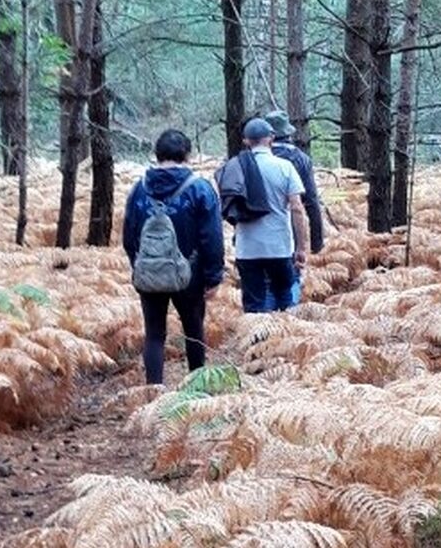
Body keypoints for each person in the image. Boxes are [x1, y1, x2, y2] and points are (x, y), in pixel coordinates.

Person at [122, 130, 225, 385]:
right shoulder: (199, 189)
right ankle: (196, 392)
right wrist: (213, 277)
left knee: (154, 335)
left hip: (148, 273)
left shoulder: (139, 189)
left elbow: (128, 233)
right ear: (187, 155)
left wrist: (139, 265)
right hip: (190, 274)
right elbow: (211, 236)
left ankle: (153, 392)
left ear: (157, 154)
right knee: (193, 332)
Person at [232, 118, 308, 313]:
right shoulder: (285, 167)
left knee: (253, 304)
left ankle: (257, 341)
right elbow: (297, 209)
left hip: (246, 247)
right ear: (271, 138)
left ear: (245, 141)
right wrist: (301, 248)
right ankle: (282, 341)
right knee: (284, 298)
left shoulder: (235, 168)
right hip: (279, 247)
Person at [264, 110, 322, 309]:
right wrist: (315, 242)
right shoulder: (301, 159)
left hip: (257, 230)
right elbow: (311, 201)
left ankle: (264, 326)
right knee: (290, 280)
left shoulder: (252, 159)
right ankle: (286, 323)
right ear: (288, 133)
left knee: (265, 284)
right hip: (291, 229)